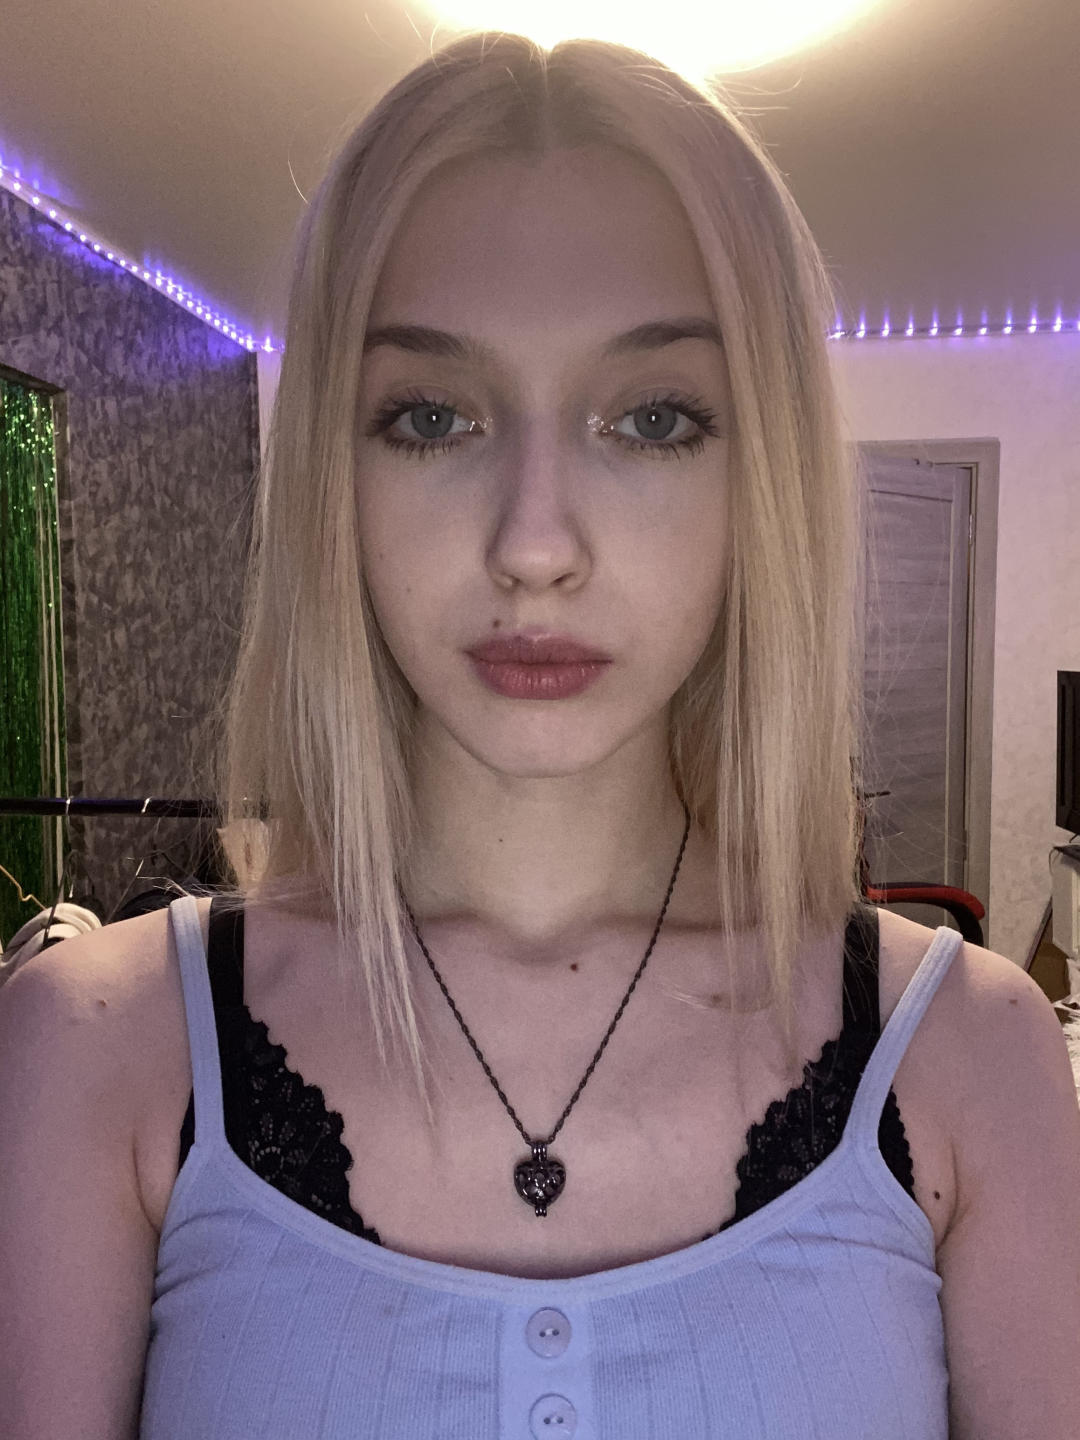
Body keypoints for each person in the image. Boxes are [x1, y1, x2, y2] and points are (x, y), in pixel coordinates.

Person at [3, 30, 1079, 1440]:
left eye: (653, 419)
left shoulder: (974, 1060)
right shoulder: (96, 1049)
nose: (534, 545)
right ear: (332, 466)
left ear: (758, 477)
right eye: (432, 417)